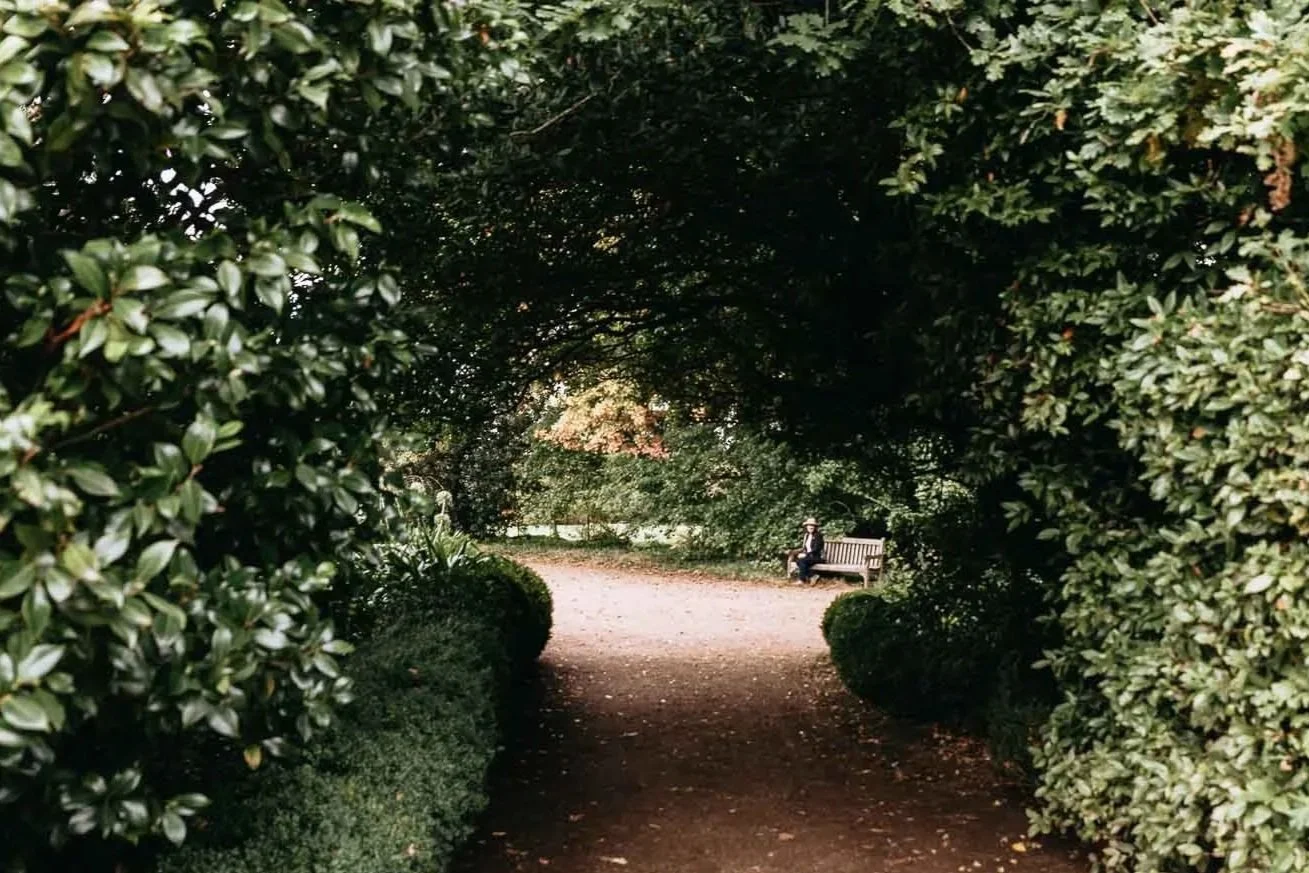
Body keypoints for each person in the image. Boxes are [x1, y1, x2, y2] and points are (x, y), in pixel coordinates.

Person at [791, 517, 824, 585]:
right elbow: (805, 548)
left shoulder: (818, 536)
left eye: (812, 526)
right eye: (809, 525)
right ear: (806, 527)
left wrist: (806, 554)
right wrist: (802, 553)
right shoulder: (806, 535)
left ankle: (802, 580)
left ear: (815, 527)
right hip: (809, 557)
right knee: (799, 561)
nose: (811, 527)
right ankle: (812, 576)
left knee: (802, 561)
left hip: (816, 557)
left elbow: (816, 549)